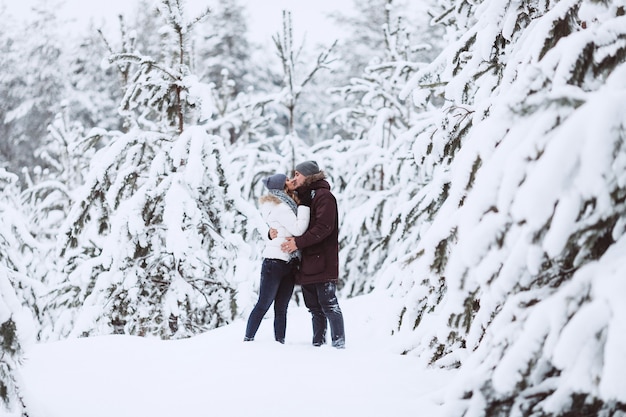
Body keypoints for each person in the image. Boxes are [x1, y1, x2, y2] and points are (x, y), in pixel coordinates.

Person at [280, 161, 346, 349]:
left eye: (297, 175)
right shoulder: (305, 198)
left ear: (308, 176)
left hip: (323, 260)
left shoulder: (324, 197)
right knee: (314, 308)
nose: (294, 178)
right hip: (308, 262)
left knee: (329, 305)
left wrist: (297, 243)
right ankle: (318, 344)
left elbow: (323, 227)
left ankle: (339, 345)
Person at [244, 173, 311, 344]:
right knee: (264, 305)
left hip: (287, 261)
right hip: (276, 262)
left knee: (280, 307)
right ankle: (248, 340)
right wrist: (304, 206)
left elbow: (280, 231)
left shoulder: (286, 203)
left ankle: (279, 343)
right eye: (287, 180)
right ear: (281, 186)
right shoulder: (281, 207)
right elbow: (297, 230)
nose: (291, 181)